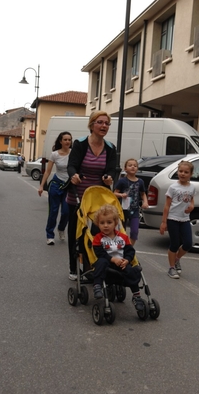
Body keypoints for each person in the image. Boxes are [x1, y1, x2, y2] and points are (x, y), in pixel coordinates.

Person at [66, 110, 116, 280]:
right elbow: (71, 165)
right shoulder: (80, 144)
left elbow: (111, 169)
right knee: (75, 233)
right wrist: (74, 175)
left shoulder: (110, 148)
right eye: (100, 122)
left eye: (107, 123)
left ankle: (90, 267)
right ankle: (74, 267)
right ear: (92, 124)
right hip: (78, 195)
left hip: (98, 199)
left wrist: (109, 177)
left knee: (95, 234)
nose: (104, 126)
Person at [92, 204, 144, 311]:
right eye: (102, 223)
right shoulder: (98, 239)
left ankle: (136, 296)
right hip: (107, 264)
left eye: (109, 222)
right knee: (100, 262)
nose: (105, 226)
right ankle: (97, 285)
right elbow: (100, 253)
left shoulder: (123, 237)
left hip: (121, 263)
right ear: (98, 224)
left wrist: (127, 260)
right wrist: (112, 259)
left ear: (115, 223)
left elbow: (130, 250)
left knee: (132, 270)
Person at [159, 160, 195, 279]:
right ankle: (171, 268)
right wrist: (164, 222)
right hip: (173, 218)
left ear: (191, 174)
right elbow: (167, 205)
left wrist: (192, 206)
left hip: (185, 219)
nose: (183, 174)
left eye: (186, 172)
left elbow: (191, 200)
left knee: (188, 243)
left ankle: (177, 259)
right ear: (177, 172)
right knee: (174, 244)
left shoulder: (192, 187)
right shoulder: (173, 187)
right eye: (180, 171)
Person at [38, 131, 72, 245]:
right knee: (53, 211)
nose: (67, 141)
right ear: (60, 141)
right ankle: (49, 235)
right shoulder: (55, 154)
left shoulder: (73, 153)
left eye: (69, 140)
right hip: (56, 184)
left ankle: (61, 228)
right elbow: (47, 171)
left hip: (68, 185)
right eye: (65, 139)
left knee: (66, 212)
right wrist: (42, 186)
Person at [114, 158, 148, 246]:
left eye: (135, 166)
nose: (133, 167)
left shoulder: (140, 182)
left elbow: (143, 194)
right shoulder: (122, 181)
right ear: (125, 169)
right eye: (130, 165)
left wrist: (145, 202)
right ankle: (120, 248)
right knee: (121, 231)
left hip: (135, 210)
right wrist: (121, 195)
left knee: (134, 231)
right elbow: (114, 193)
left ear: (137, 168)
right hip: (122, 210)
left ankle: (129, 248)